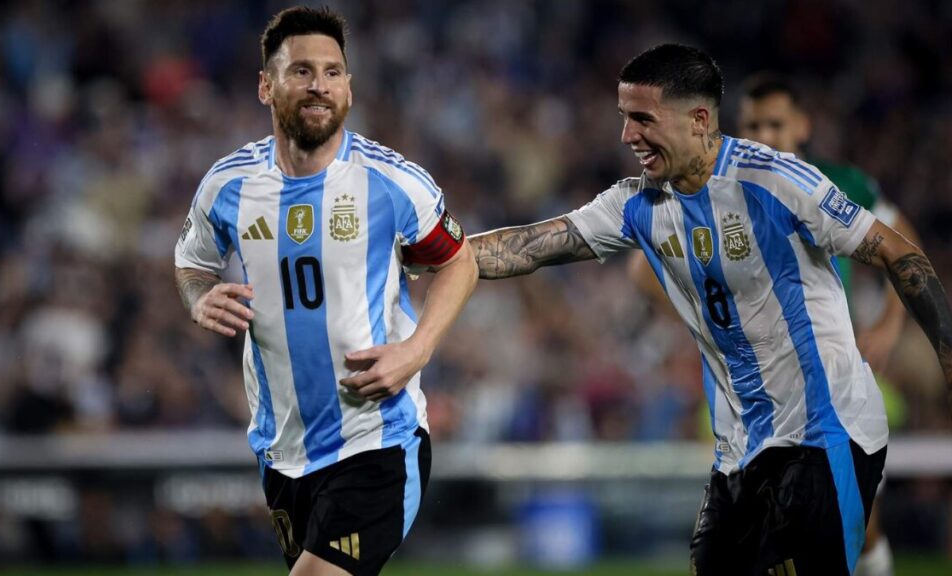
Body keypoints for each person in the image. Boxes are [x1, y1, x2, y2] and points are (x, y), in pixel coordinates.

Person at [469, 44, 952, 576]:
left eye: (643, 119)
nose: (627, 135)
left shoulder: (774, 180)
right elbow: (530, 246)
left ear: (699, 120)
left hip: (825, 431)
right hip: (740, 452)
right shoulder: (636, 203)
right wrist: (432, 248)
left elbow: (899, 253)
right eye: (625, 118)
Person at [174, 7, 477, 576]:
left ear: (349, 89)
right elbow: (192, 261)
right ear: (266, 86)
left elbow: (460, 260)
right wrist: (198, 297)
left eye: (333, 72)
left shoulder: (391, 182)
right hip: (282, 450)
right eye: (302, 71)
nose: (320, 85)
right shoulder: (228, 185)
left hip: (377, 439)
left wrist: (417, 349)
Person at [627, 73, 920, 575]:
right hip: (756, 391)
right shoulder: (722, 185)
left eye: (776, 124)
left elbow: (904, 246)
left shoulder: (837, 182)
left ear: (802, 126)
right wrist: (705, 320)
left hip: (827, 381)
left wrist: (890, 326)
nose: (764, 135)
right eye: (753, 125)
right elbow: (641, 268)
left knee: (857, 524)